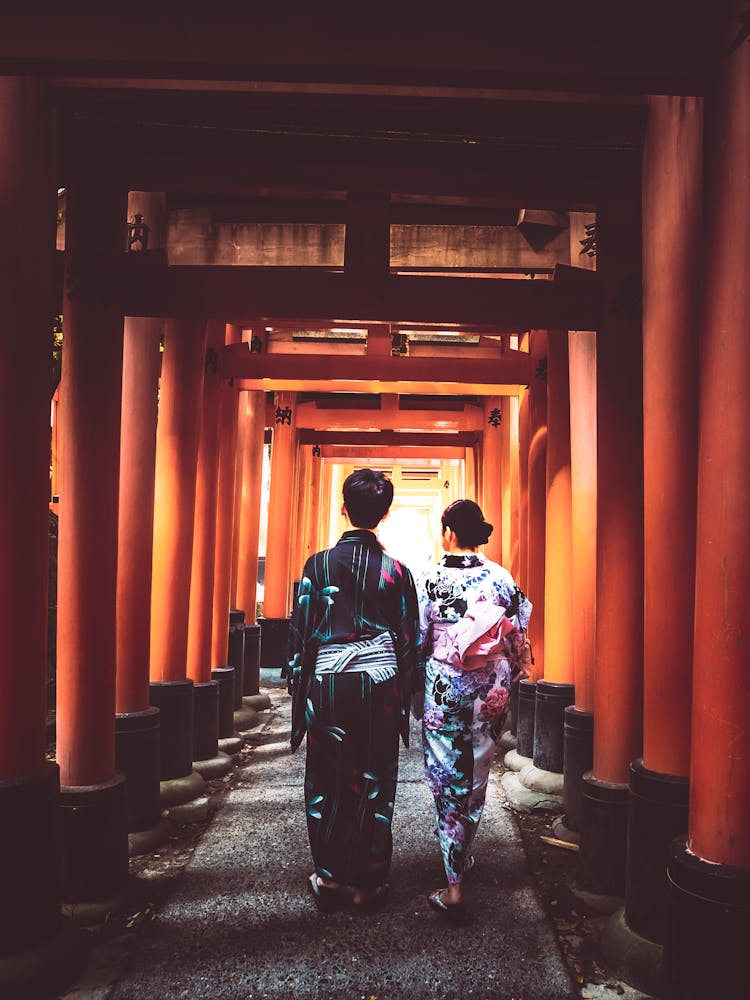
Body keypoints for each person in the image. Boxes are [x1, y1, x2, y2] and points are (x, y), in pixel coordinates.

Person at [287, 468, 421, 911]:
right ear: (383, 515)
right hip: (380, 687)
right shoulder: (397, 571)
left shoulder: (317, 564)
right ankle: (368, 883)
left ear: (343, 508)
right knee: (376, 780)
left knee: (326, 776)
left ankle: (328, 878)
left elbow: (302, 631)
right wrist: (407, 695)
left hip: (328, 686)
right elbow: (408, 639)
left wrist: (299, 684)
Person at [416, 499, 532, 922]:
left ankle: (454, 887)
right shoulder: (500, 576)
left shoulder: (428, 577)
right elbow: (519, 622)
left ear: (448, 532)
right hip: (489, 689)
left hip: (446, 684)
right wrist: (510, 667)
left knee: (448, 775)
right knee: (478, 770)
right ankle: (462, 855)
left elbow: (418, 636)